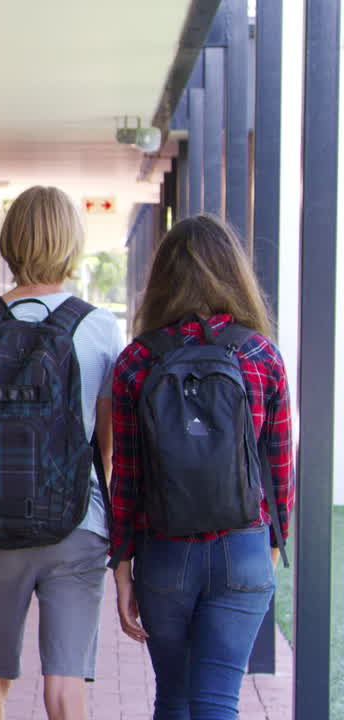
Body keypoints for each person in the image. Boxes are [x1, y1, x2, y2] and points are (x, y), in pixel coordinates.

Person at [0, 186, 121, 720]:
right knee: (65, 688)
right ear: (72, 243)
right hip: (77, 522)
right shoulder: (98, 326)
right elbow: (105, 445)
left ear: (9, 241)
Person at [109, 215, 294, 719]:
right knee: (217, 703)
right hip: (243, 547)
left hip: (164, 553)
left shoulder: (135, 362)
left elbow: (126, 478)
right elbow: (280, 470)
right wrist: (271, 548)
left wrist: (122, 568)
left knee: (173, 697)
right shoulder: (261, 356)